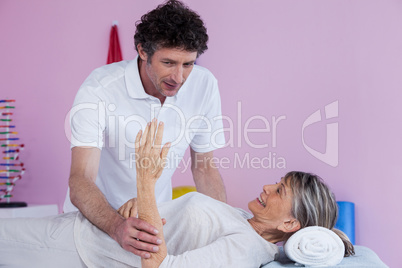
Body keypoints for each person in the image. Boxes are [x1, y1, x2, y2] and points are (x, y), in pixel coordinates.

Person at [0, 120, 354, 268]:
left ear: (291, 222)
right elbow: (179, 227)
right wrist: (144, 203)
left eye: (279, 191)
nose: (266, 187)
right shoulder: (243, 221)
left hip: (78, 252)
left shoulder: (245, 250)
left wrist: (145, 180)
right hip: (83, 232)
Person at [63, 0, 226, 259]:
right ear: (142, 51)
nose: (179, 78)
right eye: (169, 62)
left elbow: (205, 168)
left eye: (188, 64)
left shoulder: (204, 85)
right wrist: (117, 227)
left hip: (154, 221)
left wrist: (224, 230)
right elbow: (80, 179)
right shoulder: (99, 88)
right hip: (95, 223)